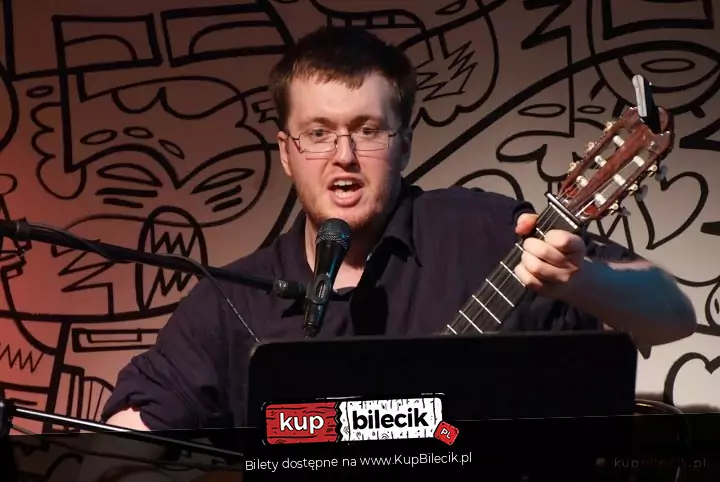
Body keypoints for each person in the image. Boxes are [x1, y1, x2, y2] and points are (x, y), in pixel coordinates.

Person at [99, 25, 695, 434]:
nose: (344, 156)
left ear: (404, 143)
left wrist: (584, 280)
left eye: (368, 130)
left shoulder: (486, 231)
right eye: (318, 133)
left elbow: (671, 315)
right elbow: (130, 433)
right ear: (285, 152)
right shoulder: (234, 299)